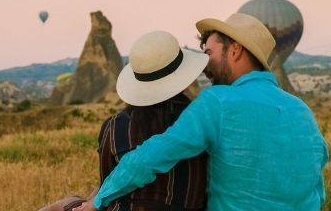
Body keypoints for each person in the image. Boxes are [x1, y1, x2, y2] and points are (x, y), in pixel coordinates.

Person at [76, 13, 329, 211]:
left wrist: (98, 200)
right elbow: (317, 189)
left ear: (235, 49)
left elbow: (150, 157)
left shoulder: (217, 102)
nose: (206, 64)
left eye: (209, 52)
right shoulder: (302, 111)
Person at [42, 31, 210, 211]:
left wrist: (91, 203)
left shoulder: (116, 126)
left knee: (60, 206)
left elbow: (109, 179)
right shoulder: (204, 120)